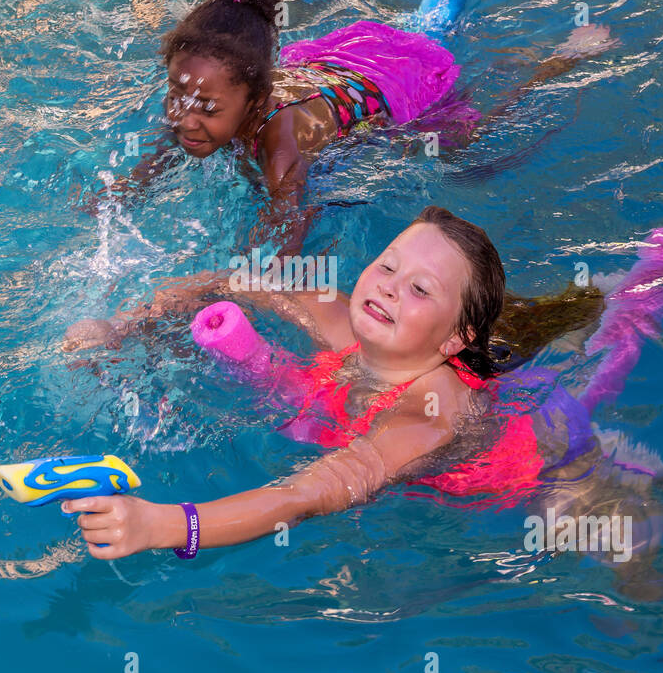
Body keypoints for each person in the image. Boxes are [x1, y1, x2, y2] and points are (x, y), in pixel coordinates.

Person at [59, 206, 614, 560]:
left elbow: (307, 493)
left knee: (623, 558)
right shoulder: (341, 317)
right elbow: (233, 281)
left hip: (539, 476)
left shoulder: (429, 414)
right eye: (388, 266)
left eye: (420, 290)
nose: (390, 287)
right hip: (432, 364)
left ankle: (613, 294)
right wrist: (124, 325)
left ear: (452, 341)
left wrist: (163, 525)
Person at [106, 0, 615, 254]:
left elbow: (286, 231)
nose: (185, 118)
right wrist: (124, 192)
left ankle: (552, 62)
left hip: (378, 98)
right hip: (324, 76)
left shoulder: (282, 150)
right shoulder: (203, 96)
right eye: (178, 95)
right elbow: (160, 151)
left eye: (207, 108)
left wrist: (241, 271)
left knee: (464, 148)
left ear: (254, 101)